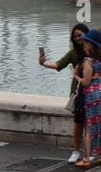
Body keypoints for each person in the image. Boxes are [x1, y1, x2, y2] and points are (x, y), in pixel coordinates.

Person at [38, 23, 90, 163]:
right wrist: (43, 63)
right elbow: (58, 65)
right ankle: (76, 150)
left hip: (93, 90)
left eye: (80, 35)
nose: (77, 38)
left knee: (90, 123)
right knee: (79, 122)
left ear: (87, 33)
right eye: (74, 37)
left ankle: (90, 152)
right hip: (78, 91)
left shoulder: (94, 49)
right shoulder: (73, 53)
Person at [76, 29, 101, 169]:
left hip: (93, 96)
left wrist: (75, 76)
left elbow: (86, 82)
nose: (84, 44)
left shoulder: (88, 61)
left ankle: (86, 159)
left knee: (90, 127)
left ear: (91, 44)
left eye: (86, 42)